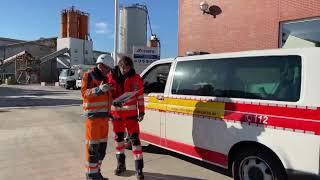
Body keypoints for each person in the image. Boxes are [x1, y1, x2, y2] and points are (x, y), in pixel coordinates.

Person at [109, 56, 145, 180]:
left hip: (131, 116)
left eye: (127, 67)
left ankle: (139, 169)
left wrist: (142, 112)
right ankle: (120, 165)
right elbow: (108, 95)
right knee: (119, 141)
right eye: (122, 67)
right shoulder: (111, 77)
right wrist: (111, 104)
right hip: (116, 115)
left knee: (135, 141)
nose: (124, 70)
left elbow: (140, 97)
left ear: (131, 67)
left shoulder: (136, 78)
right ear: (119, 65)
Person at [81, 54, 114, 180]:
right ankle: (91, 175)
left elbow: (108, 98)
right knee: (92, 149)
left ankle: (97, 172)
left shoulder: (106, 78)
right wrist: (98, 90)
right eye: (107, 69)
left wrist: (115, 103)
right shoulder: (88, 75)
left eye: (109, 70)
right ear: (100, 65)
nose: (108, 72)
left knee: (101, 149)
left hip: (104, 119)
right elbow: (84, 93)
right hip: (93, 119)